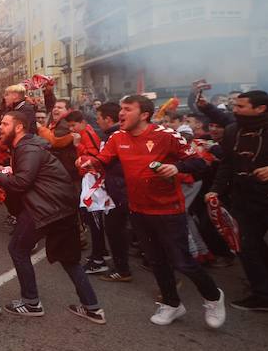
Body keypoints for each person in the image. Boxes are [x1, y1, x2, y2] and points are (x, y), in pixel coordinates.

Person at [78, 95, 225, 328]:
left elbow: (199, 163)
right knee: (156, 261)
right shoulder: (117, 137)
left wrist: (175, 167)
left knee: (182, 262)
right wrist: (90, 162)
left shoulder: (167, 136)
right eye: (121, 109)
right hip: (137, 209)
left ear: (144, 114)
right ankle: (172, 304)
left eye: (127, 109)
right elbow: (102, 160)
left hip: (169, 210)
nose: (121, 114)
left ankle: (213, 297)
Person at [0, 112, 105, 325]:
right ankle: (93, 308)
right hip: (60, 208)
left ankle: (31, 303)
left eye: (4, 123)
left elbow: (22, 183)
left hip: (45, 208)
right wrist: (9, 172)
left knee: (18, 249)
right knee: (68, 259)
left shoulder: (27, 148)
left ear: (19, 127)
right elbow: (32, 176)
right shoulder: (28, 147)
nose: (0, 127)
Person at [206, 90, 268, 311]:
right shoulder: (232, 130)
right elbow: (226, 164)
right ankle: (262, 293)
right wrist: (215, 190)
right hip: (244, 198)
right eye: (234, 105)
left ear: (260, 108)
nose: (234, 110)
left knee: (252, 245)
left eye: (241, 106)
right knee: (247, 245)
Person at [65, 109, 110, 275]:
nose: (72, 129)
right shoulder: (85, 132)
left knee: (94, 219)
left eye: (73, 125)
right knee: (92, 219)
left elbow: (94, 157)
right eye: (69, 126)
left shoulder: (86, 134)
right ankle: (101, 252)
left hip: (94, 182)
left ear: (82, 122)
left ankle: (99, 259)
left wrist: (78, 146)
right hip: (90, 181)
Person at [93, 102, 132, 282]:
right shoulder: (111, 134)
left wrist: (92, 162)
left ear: (108, 119)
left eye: (99, 118)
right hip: (117, 188)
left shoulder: (117, 136)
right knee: (118, 230)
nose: (97, 121)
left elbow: (110, 162)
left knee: (116, 230)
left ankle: (122, 270)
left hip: (119, 190)